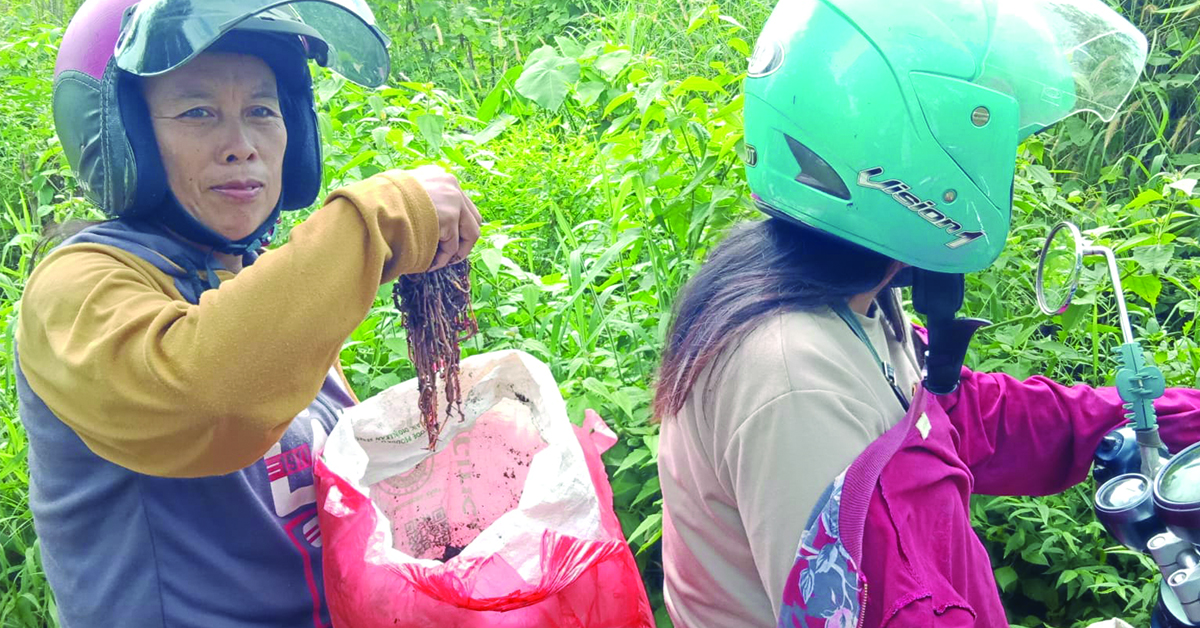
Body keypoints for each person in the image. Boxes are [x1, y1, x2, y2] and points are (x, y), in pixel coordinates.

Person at [654, 0, 1200, 627]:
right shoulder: (795, 377)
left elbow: (961, 413)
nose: (1005, 173)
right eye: (994, 149)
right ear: (922, 163)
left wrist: (1167, 416)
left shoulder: (845, 298)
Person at [15, 1, 481, 626]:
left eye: (262, 110)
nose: (241, 146)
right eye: (198, 112)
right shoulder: (75, 289)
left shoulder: (258, 281)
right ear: (123, 133)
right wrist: (378, 221)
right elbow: (206, 398)